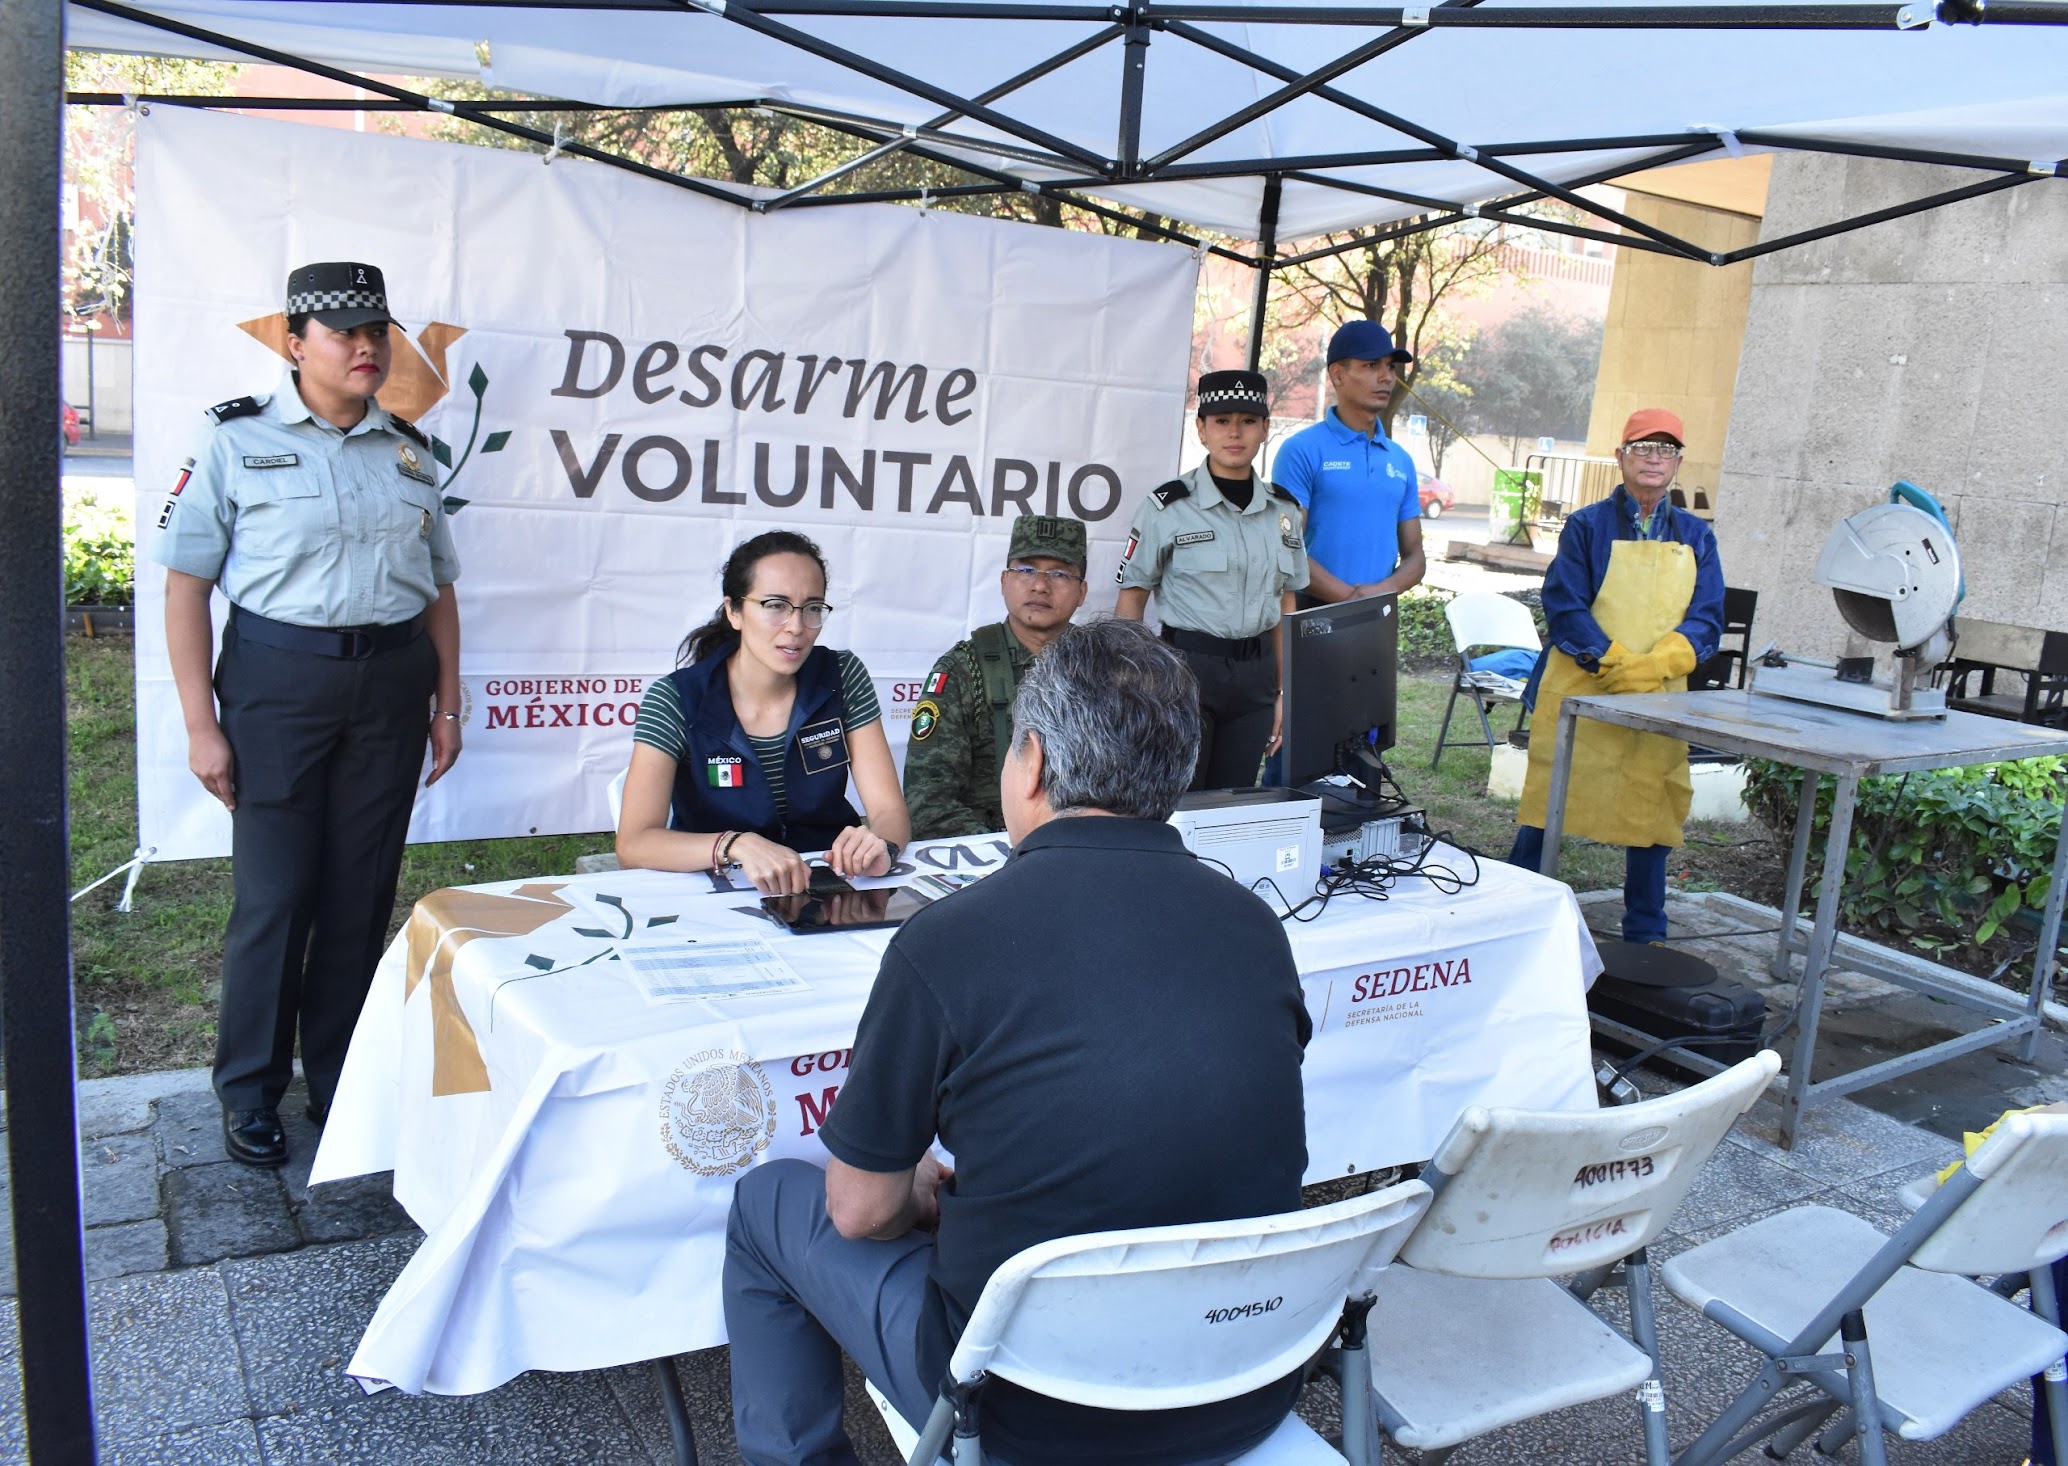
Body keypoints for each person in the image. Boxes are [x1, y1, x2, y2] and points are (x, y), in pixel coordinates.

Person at [722, 618, 1311, 1464]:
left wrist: (925, 1195)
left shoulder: (948, 939)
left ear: (1030, 762)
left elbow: (858, 1211)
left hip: (1027, 1406)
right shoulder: (1255, 924)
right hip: (1246, 1376)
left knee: (766, 1203)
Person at [152, 261, 462, 1168]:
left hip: (392, 686)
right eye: (343, 333)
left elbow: (438, 586)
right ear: (296, 345)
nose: (366, 348)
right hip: (277, 686)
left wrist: (448, 699)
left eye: (377, 332)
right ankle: (248, 1088)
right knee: (276, 894)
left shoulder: (409, 451)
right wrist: (200, 722)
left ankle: (337, 1077)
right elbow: (185, 588)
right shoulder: (233, 442)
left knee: (359, 895)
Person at [1510, 408, 1725, 945]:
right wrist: (1610, 663)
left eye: (1666, 450)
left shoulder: (1698, 536)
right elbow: (1565, 605)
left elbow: (1706, 618)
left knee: (1651, 807)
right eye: (1642, 448)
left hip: (1659, 700)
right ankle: (1514, 910)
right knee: (1548, 806)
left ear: (1677, 462)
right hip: (1582, 690)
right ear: (1620, 458)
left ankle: (1646, 928)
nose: (1654, 459)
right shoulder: (1586, 526)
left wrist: (1654, 666)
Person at [617, 531, 910, 894]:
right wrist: (733, 844)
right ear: (734, 612)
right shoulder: (675, 698)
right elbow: (634, 843)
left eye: (813, 608)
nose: (797, 627)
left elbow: (889, 810)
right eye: (776, 605)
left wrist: (881, 844)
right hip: (714, 891)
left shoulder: (842, 675)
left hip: (827, 886)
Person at [1115, 369, 1309, 789]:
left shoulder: (1284, 511)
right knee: (1177, 797)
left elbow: (1285, 604)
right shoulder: (1167, 508)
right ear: (1201, 429)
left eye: (1247, 421)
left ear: (1265, 429)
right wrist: (1137, 686)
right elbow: (1131, 600)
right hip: (1186, 671)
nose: (1234, 432)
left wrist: (1282, 693)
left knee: (1232, 800)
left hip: (1256, 680)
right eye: (1221, 421)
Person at [902, 514, 1088, 838]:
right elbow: (929, 804)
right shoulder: (962, 670)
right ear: (1004, 580)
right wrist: (1007, 856)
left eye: (1059, 573)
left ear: (1082, 591)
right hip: (993, 855)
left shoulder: (1104, 670)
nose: (1040, 585)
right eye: (1026, 570)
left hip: (1084, 848)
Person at [1270, 319, 1427, 605]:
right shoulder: (1301, 450)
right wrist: (1352, 601)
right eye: (1371, 365)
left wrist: (1380, 593)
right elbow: (1286, 547)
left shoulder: (1400, 460)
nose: (1387, 377)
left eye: (1391, 366)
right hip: (1313, 614)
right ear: (1338, 375)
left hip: (1379, 616)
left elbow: (1415, 556)